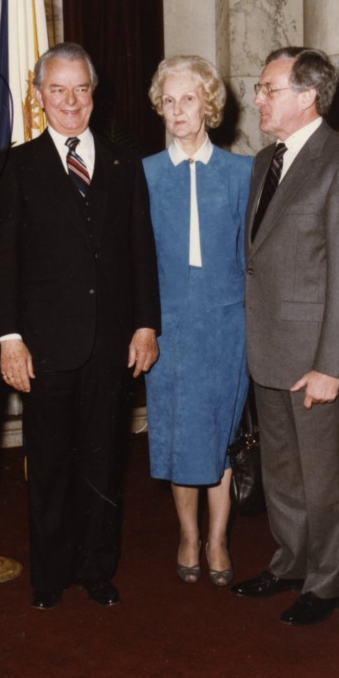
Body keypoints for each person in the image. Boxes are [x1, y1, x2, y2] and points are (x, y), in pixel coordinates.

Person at [0, 42, 161, 610]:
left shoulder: (124, 164)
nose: (69, 101)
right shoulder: (15, 167)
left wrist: (145, 325)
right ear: (39, 96)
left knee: (103, 462)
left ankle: (96, 568)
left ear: (93, 94)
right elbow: (3, 263)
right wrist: (9, 339)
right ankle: (50, 575)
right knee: (50, 464)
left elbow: (141, 252)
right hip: (44, 348)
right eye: (57, 90)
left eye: (79, 89)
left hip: (111, 345)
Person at [231, 46, 339, 625]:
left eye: (268, 89)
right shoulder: (265, 160)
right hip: (269, 350)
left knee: (325, 478)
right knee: (283, 472)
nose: (257, 99)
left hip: (316, 358)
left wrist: (331, 366)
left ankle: (328, 581)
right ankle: (291, 562)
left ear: (308, 96)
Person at [143, 55, 253, 587]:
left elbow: (252, 259)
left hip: (225, 327)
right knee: (178, 432)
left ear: (208, 104)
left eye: (188, 99)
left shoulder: (241, 173)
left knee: (219, 433)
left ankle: (218, 538)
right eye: (169, 101)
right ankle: (188, 535)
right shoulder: (144, 174)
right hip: (166, 327)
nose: (177, 110)